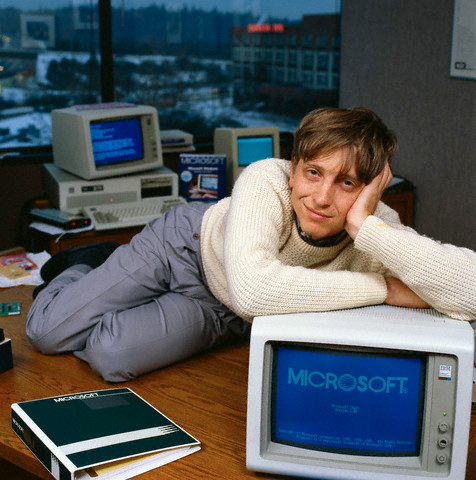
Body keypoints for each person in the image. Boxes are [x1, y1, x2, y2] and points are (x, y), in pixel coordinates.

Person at [26, 107, 476, 382]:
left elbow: (471, 289)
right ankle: (86, 265)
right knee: (47, 332)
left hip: (228, 309)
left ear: (371, 190)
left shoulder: (377, 226)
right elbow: (257, 291)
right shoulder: (267, 178)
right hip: (186, 247)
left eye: (347, 183)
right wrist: (383, 288)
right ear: (294, 165)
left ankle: (110, 284)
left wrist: (365, 226)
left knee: (111, 356)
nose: (321, 197)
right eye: (313, 172)